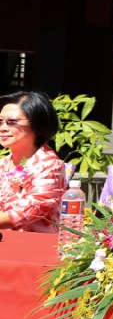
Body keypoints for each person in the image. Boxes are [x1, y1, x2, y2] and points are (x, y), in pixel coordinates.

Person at [0, 90, 64, 234]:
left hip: (37, 243)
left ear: (37, 124)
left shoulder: (50, 165)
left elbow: (29, 210)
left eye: (12, 122)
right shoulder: (2, 164)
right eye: (0, 121)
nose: (3, 128)